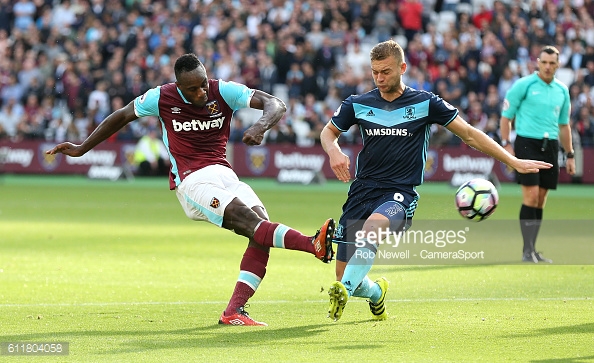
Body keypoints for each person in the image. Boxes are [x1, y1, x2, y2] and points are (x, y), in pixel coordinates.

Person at [46, 53, 335, 326]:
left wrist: (261, 126)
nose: (202, 93)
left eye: (203, 84)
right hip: (192, 180)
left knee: (260, 230)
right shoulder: (161, 96)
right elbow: (122, 116)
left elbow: (276, 104)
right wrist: (83, 148)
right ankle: (312, 244)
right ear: (179, 88)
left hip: (225, 174)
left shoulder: (223, 90)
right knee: (252, 223)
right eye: (193, 89)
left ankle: (234, 311)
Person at [320, 39, 553, 322]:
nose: (380, 79)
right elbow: (327, 132)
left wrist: (511, 160)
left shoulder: (425, 102)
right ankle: (375, 293)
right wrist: (333, 150)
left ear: (403, 68)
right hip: (361, 190)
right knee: (347, 275)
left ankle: (342, 291)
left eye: (386, 72)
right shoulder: (358, 103)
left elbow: (468, 133)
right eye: (375, 72)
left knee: (373, 229)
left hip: (399, 193)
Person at [499, 45, 576, 264]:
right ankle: (526, 251)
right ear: (538, 63)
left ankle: (533, 250)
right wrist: (506, 144)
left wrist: (570, 154)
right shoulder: (524, 85)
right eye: (544, 62)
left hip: (550, 146)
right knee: (531, 196)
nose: (548, 67)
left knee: (541, 200)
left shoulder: (562, 90)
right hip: (526, 144)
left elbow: (564, 125)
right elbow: (506, 117)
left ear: (558, 64)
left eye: (552, 63)